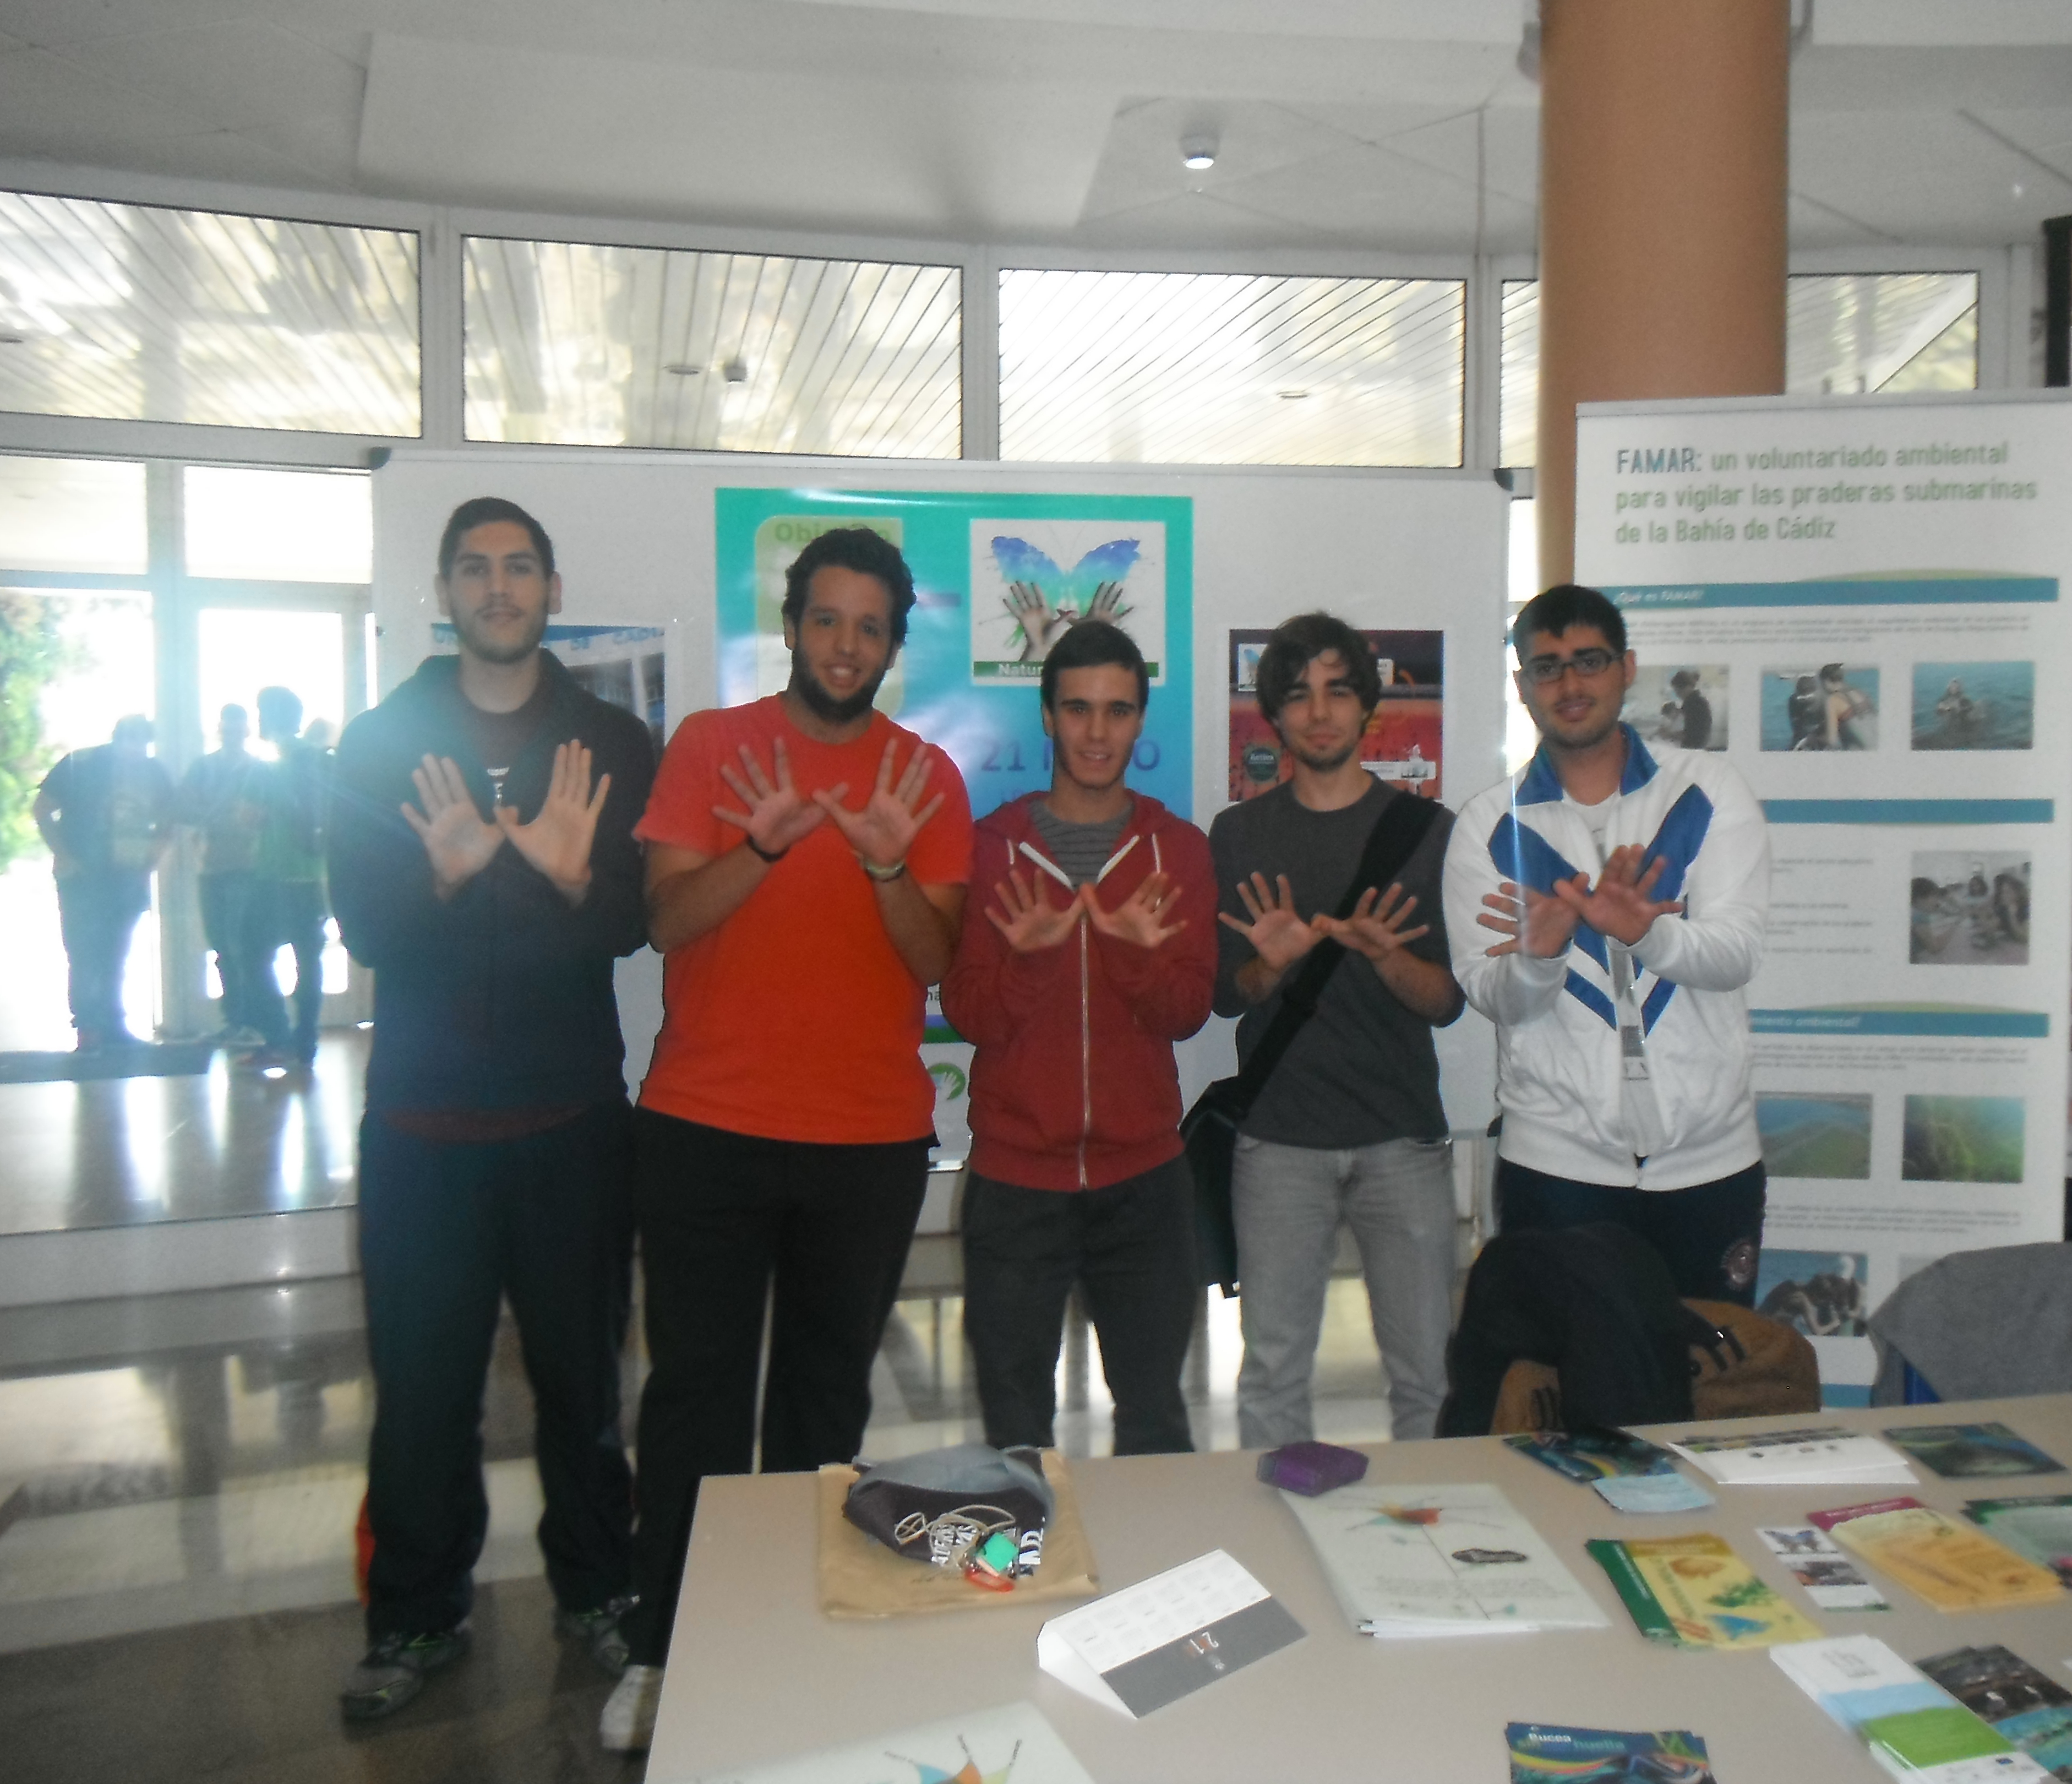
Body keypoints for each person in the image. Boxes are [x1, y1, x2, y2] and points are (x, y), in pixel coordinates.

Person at [609, 525, 971, 1752]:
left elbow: (938, 964)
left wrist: (883, 871)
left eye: (871, 627)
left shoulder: (924, 778)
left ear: (892, 644)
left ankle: (798, 1642)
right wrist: (761, 845)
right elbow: (665, 924)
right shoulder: (711, 748)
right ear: (792, 626)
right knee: (697, 1410)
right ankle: (666, 1651)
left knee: (823, 1414)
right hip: (705, 1130)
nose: (846, 645)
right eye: (827, 620)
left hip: (867, 1145)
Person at [326, 497, 656, 1722]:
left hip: (571, 1122)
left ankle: (596, 1591)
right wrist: (446, 880)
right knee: (421, 1390)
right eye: (476, 568)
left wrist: (572, 883)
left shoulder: (614, 742)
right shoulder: (377, 743)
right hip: (421, 1131)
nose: (499, 587)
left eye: (520, 568)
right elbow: (362, 923)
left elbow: (635, 917)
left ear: (553, 590)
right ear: (446, 590)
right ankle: (414, 1619)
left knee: (584, 1384)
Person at [1443, 584, 1770, 1304]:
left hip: (1710, 1165)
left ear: (1626, 668)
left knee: (1708, 1398)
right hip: (1556, 1170)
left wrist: (1647, 933)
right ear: (1524, 686)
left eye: (1588, 661)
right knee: (1573, 1394)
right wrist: (1540, 956)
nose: (1570, 683)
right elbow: (1493, 996)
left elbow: (1735, 955)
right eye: (1547, 666)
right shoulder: (1486, 826)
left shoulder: (1708, 791)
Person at [939, 620, 1215, 1459]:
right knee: (1017, 1430)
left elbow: (1187, 1011)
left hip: (1146, 1185)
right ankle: (1025, 1583)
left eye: (1118, 711)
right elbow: (972, 1016)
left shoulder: (1180, 851)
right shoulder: (993, 850)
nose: (1098, 732)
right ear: (1049, 716)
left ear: (1140, 721)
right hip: (1017, 1183)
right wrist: (1027, 964)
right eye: (1079, 710)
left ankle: (1159, 1587)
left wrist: (1130, 950)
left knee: (1156, 1421)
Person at [1211, 612, 1465, 1448]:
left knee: (1427, 1374)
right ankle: (1273, 1546)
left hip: (1403, 1140)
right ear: (1273, 718)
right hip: (1280, 1142)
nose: (1319, 712)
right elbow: (1224, 998)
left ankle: (1432, 1553)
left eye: (1337, 690)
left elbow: (1447, 1002)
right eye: (1297, 696)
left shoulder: (1430, 832)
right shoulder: (1239, 833)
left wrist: (1389, 960)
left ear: (1369, 708)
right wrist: (1271, 967)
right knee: (1273, 1374)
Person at [33, 714, 175, 1049]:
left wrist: (149, 864)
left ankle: (112, 1025)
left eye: (141, 745)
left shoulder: (154, 773)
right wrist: (65, 855)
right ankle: (88, 1027)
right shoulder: (81, 765)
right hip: (81, 876)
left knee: (116, 953)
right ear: (115, 740)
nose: (134, 752)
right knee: (83, 951)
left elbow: (168, 821)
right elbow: (42, 808)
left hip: (126, 876)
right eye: (129, 743)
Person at [236, 686, 332, 1072]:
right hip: (314, 877)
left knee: (250, 951)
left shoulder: (266, 765)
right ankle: (306, 1042)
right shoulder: (324, 761)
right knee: (309, 960)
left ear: (268, 718)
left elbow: (248, 818)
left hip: (274, 876)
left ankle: (277, 1036)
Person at [175, 703, 261, 1045]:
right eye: (228, 728)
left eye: (239, 728)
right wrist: (213, 816)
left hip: (249, 869)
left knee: (244, 948)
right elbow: (181, 807)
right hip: (211, 868)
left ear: (247, 731)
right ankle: (234, 1022)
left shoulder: (258, 770)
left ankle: (251, 1022)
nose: (233, 734)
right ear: (220, 730)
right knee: (223, 947)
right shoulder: (204, 768)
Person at [1670, 668, 1712, 750]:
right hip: (1700, 746)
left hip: (1693, 748)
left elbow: (1690, 734)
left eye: (1677, 692)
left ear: (1686, 688)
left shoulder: (1693, 704)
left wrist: (1669, 734)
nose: (1677, 695)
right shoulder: (1698, 701)